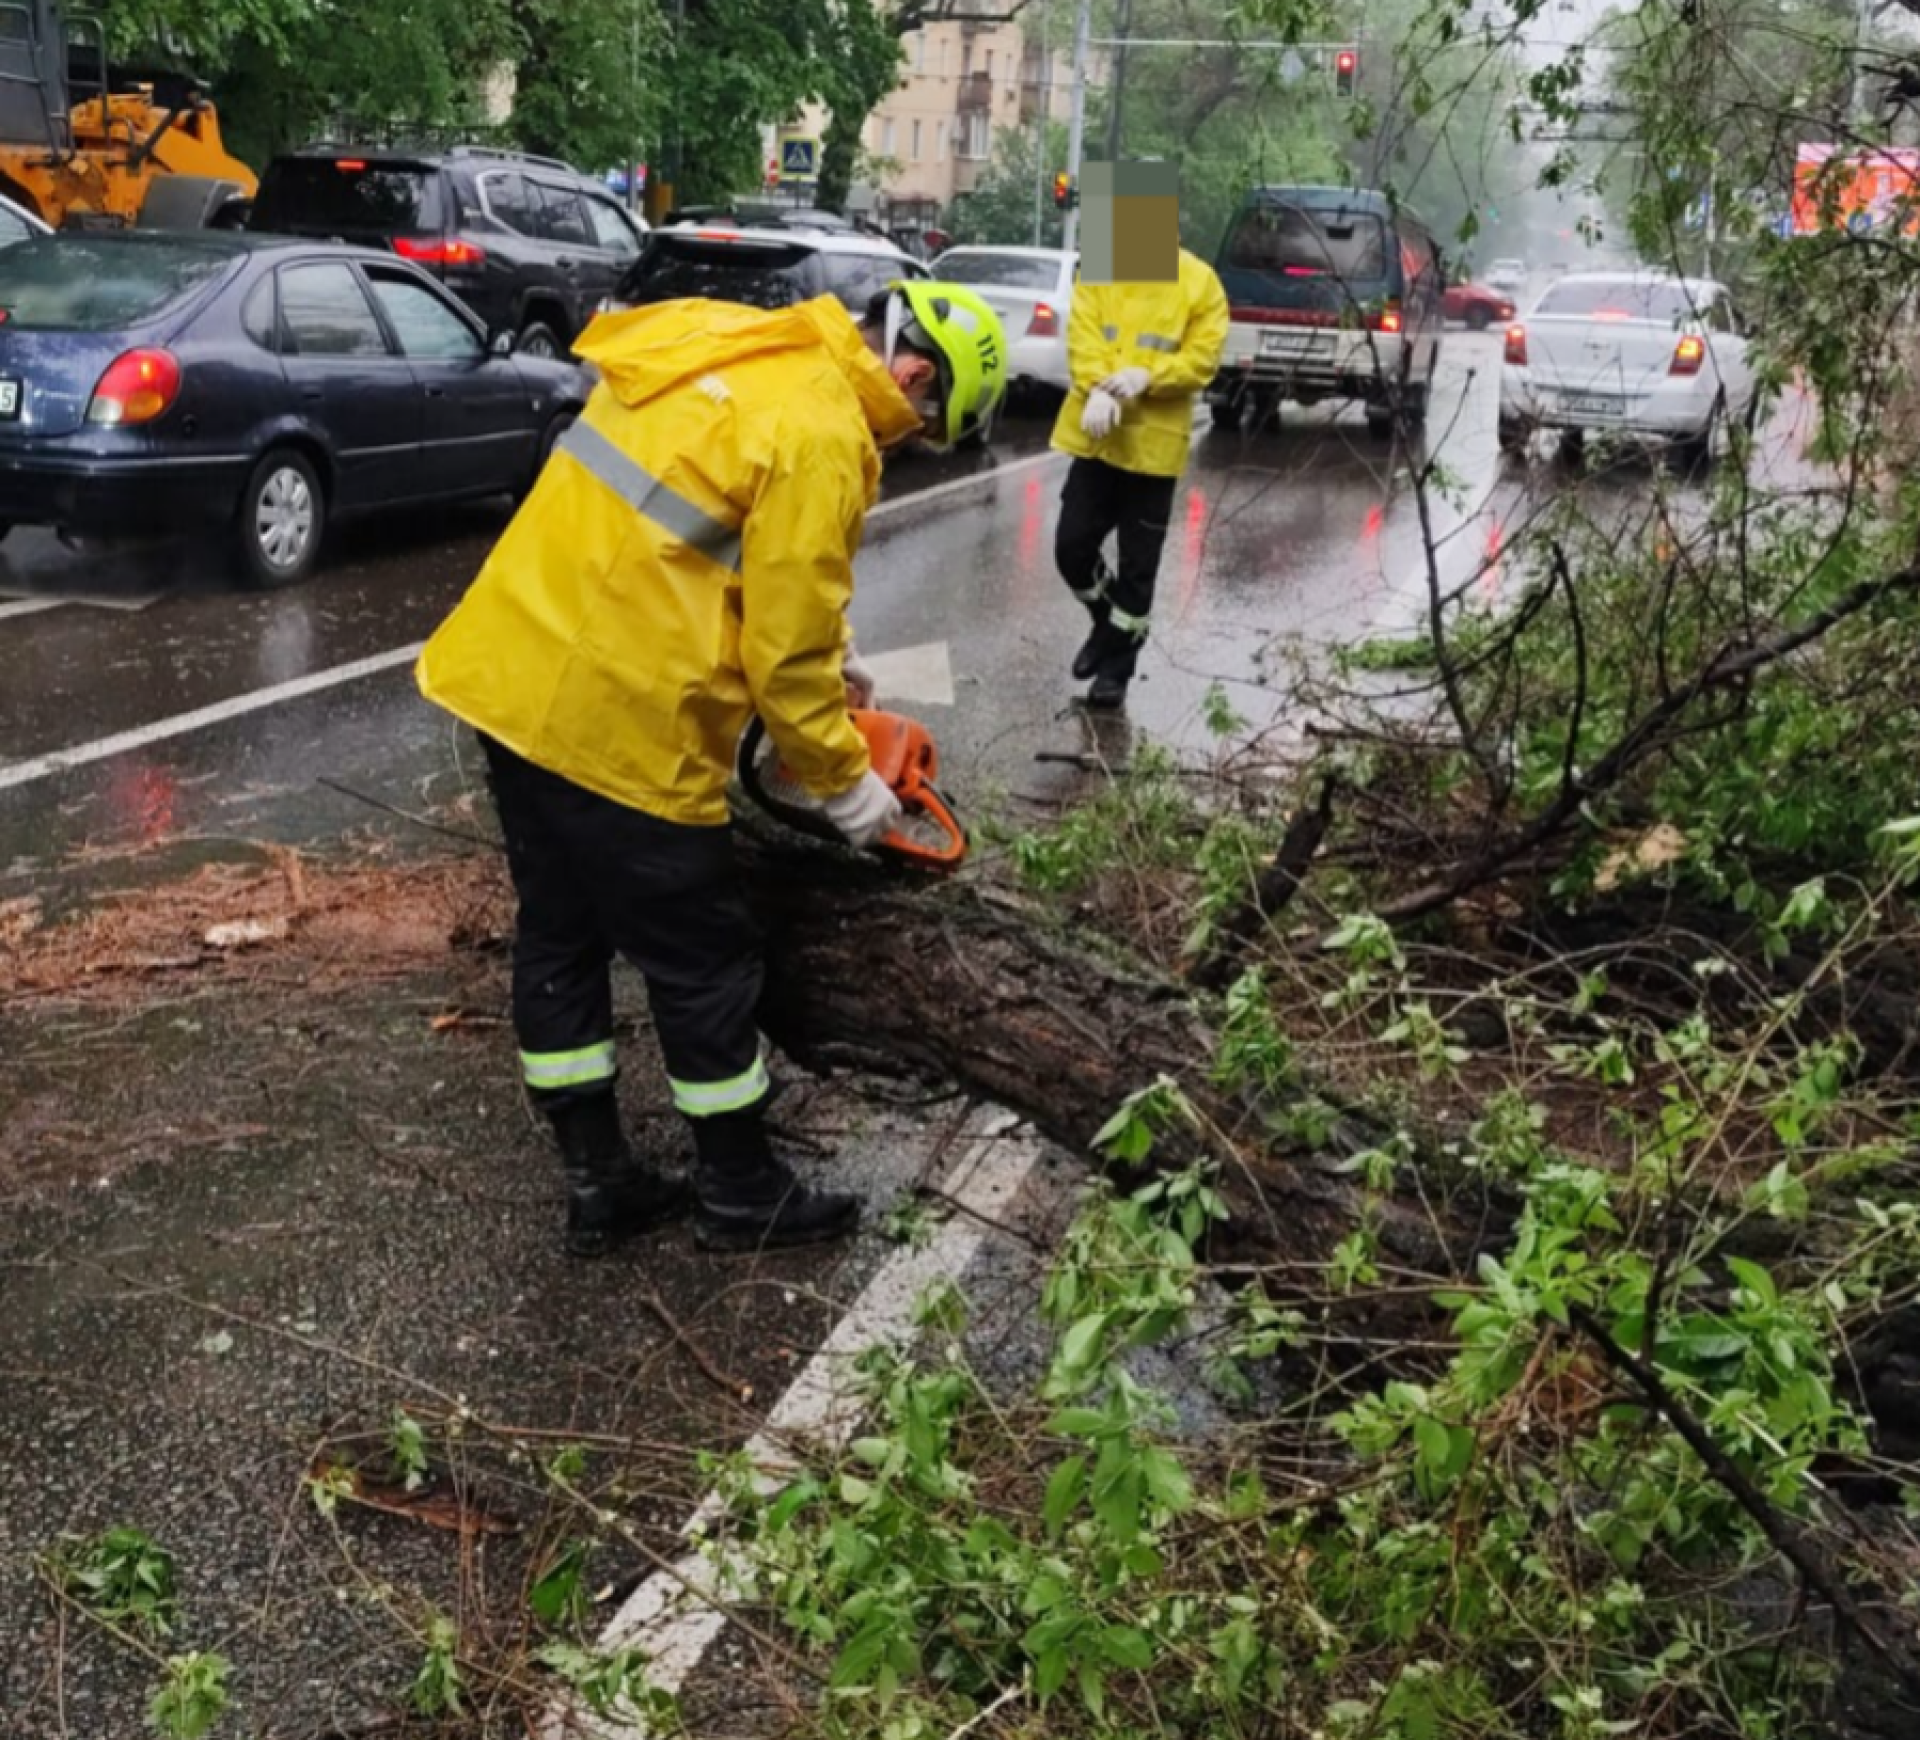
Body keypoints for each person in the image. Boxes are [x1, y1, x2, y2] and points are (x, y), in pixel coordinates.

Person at [416, 283, 1006, 1258]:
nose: (903, 444)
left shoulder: (726, 344)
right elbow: (786, 664)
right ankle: (740, 1189)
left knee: (561, 930)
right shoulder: (825, 434)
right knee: (704, 955)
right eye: (920, 429)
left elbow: (702, 532)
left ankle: (597, 1178)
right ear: (916, 375)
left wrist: (836, 650)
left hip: (506, 673)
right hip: (615, 718)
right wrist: (848, 789)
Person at [1051, 244, 1229, 709]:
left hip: (1153, 452)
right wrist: (1097, 387)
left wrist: (1147, 376)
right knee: (1071, 547)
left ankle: (1116, 671)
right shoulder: (1101, 271)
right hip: (1098, 438)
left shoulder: (1199, 281)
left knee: (1137, 569)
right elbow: (1084, 337)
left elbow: (1203, 360)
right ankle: (1108, 626)